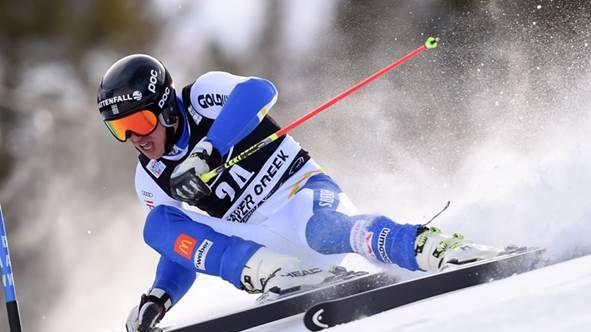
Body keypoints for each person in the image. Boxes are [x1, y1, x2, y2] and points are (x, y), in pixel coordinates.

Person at [96, 54, 501, 332]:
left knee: (324, 229)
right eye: (120, 130)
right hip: (262, 248)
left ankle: (428, 247)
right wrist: (160, 297)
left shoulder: (202, 96)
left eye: (140, 121)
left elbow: (258, 91)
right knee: (156, 224)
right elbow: (179, 247)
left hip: (302, 197)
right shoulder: (149, 178)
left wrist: (208, 150)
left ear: (165, 107)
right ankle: (275, 274)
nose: (135, 138)